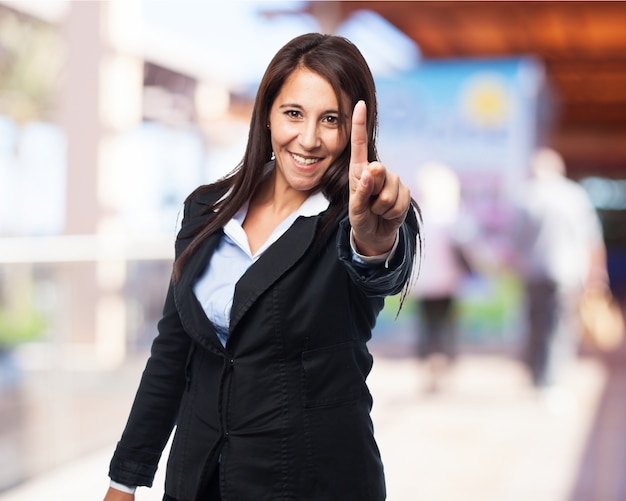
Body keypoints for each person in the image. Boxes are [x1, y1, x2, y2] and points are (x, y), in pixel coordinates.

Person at [103, 33, 421, 501]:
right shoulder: (206, 211)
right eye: (293, 113)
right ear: (267, 114)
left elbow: (379, 267)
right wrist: (124, 478)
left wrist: (374, 243)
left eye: (330, 119)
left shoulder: (364, 216)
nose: (309, 139)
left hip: (313, 485)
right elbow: (172, 356)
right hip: (197, 480)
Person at [510, 147, 607, 407]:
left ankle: (537, 376)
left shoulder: (525, 197)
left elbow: (516, 241)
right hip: (568, 273)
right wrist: (597, 273)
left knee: (536, 323)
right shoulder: (575, 196)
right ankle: (551, 382)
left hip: (534, 272)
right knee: (560, 327)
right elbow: (591, 238)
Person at [410, 162, 471, 393]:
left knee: (427, 327)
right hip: (448, 281)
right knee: (446, 327)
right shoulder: (451, 214)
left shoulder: (416, 214)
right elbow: (465, 248)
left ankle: (429, 368)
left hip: (423, 282)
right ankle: (443, 368)